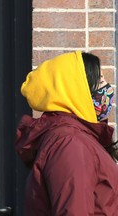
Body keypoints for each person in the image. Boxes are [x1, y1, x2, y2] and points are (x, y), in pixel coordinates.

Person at [15, 51, 118, 215]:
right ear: (77, 90)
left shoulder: (76, 137)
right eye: (100, 82)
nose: (108, 89)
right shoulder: (69, 142)